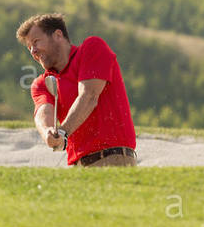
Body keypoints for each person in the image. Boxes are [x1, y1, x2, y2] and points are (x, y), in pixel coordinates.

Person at [16, 13, 137, 168]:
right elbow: (43, 111)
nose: (33, 51)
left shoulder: (92, 47)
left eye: (36, 42)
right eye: (29, 48)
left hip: (113, 158)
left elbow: (89, 96)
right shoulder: (41, 83)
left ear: (58, 35)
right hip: (77, 166)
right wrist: (48, 132)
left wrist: (63, 132)